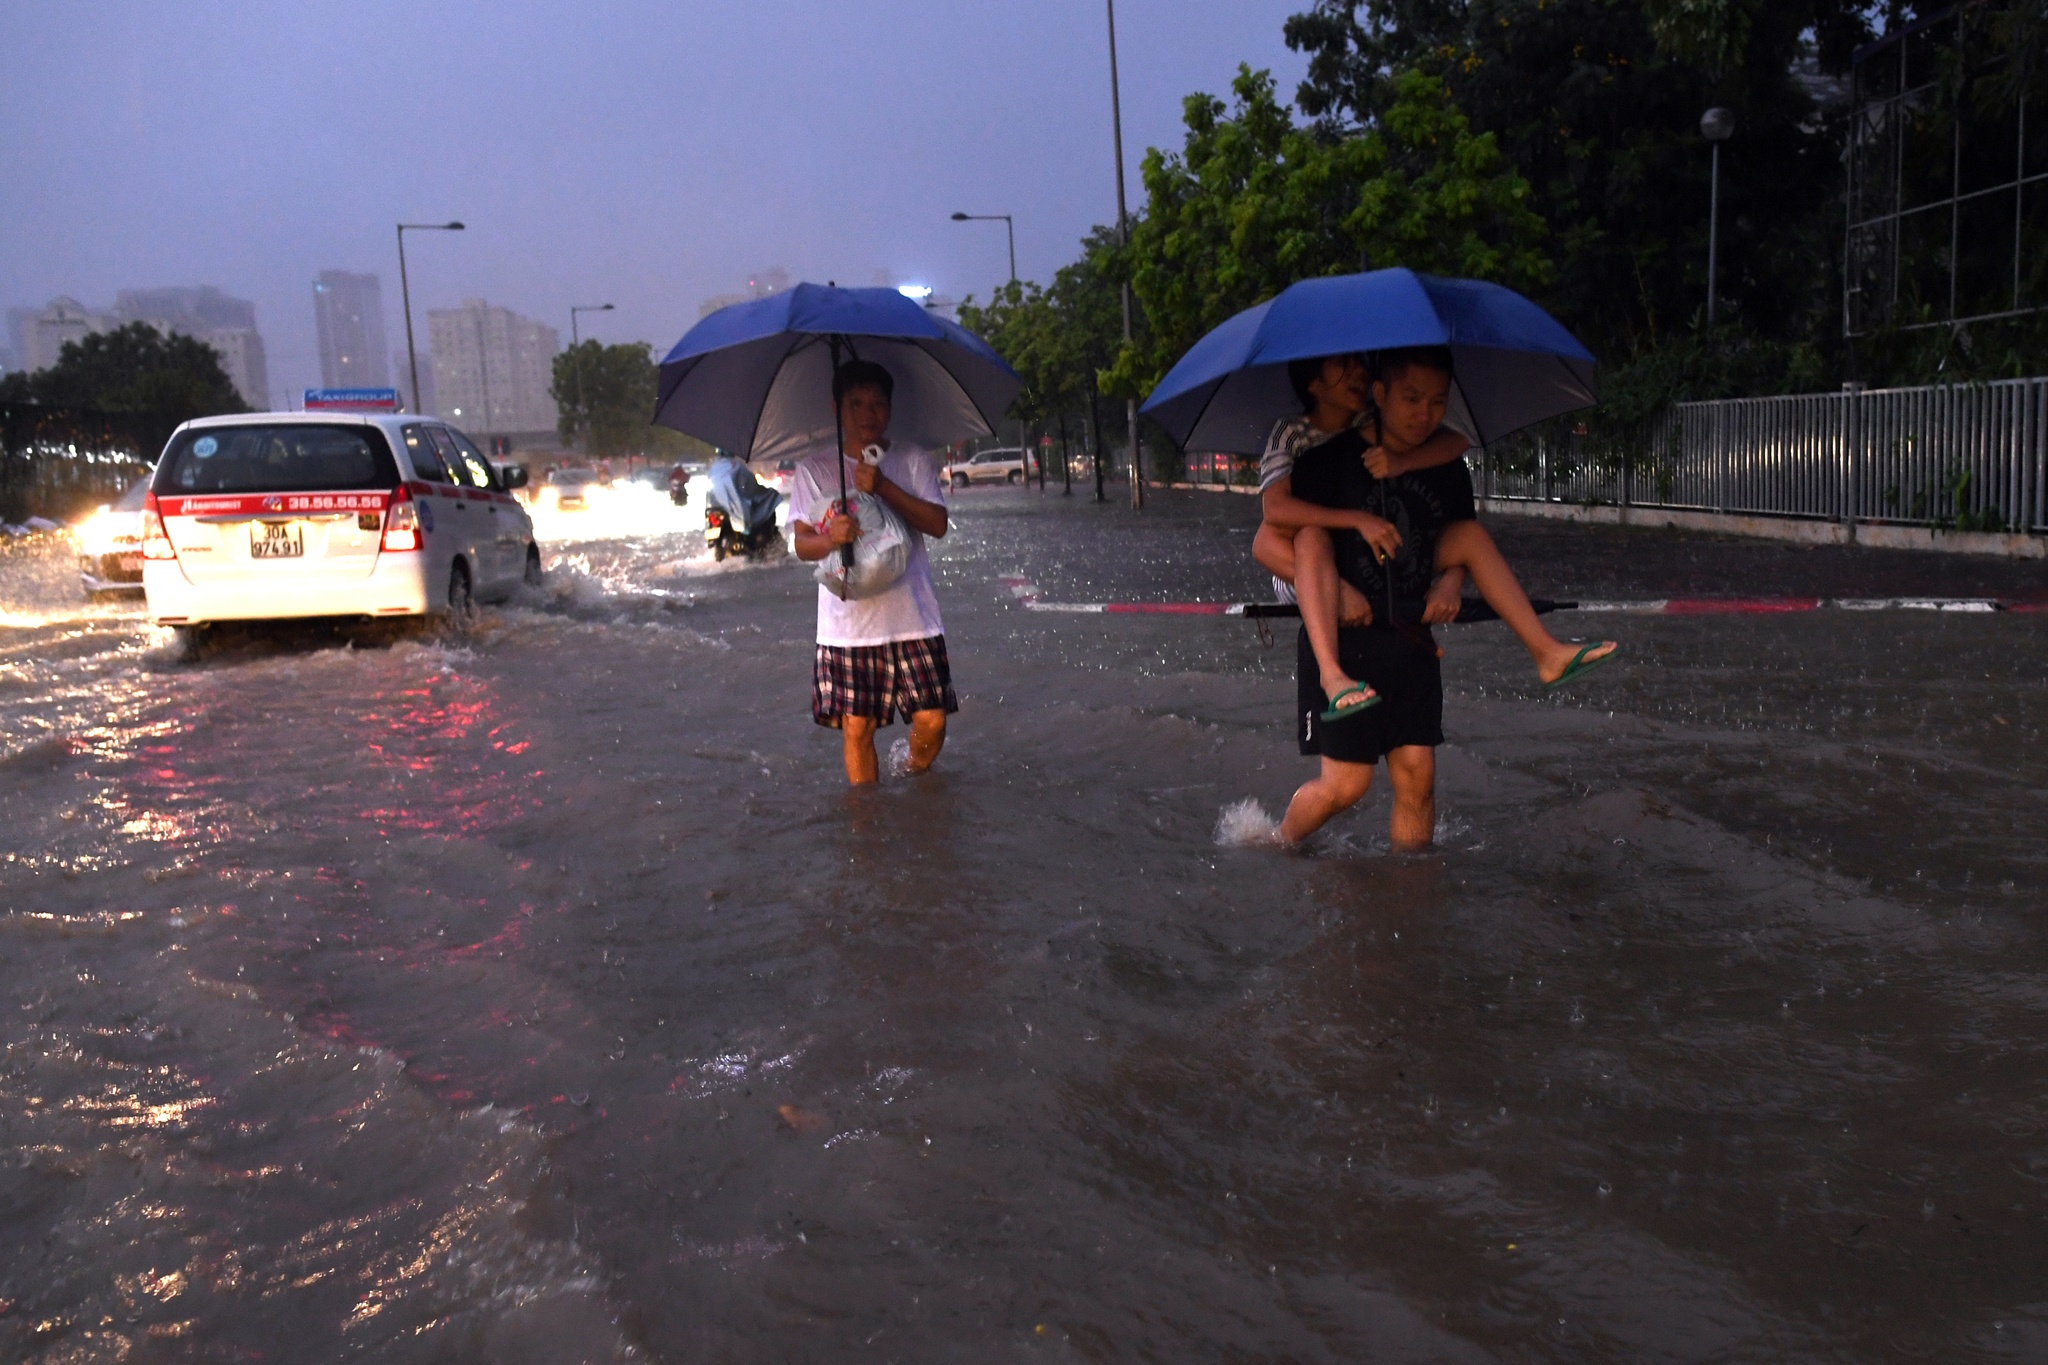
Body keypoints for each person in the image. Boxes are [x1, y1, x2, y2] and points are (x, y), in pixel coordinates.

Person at [1253, 355, 1617, 703]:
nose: (1357, 374)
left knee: (1468, 536)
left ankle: (1546, 652)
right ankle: (1331, 673)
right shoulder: (1292, 435)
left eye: (1359, 365)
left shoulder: (1371, 418)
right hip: (1306, 564)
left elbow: (1456, 440)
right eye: (1342, 368)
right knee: (1309, 538)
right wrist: (1356, 534)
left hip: (1372, 551)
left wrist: (1401, 463)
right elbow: (1273, 519)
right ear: (1313, 383)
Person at [788, 360, 957, 785]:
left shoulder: (912, 458)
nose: (868, 415)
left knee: (933, 721)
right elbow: (802, 545)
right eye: (856, 404)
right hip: (848, 624)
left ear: (890, 408)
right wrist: (831, 538)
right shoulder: (814, 471)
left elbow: (937, 525)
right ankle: (867, 828)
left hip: (912, 617)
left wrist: (882, 487)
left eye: (878, 404)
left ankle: (913, 773)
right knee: (858, 728)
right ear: (836, 408)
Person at [706, 449, 780, 534]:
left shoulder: (714, 466)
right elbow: (749, 484)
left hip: (719, 506)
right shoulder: (735, 465)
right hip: (735, 508)